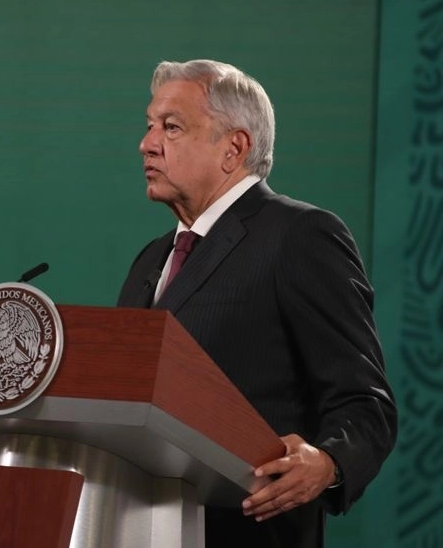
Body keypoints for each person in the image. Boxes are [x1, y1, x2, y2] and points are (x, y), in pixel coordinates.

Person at [116, 59, 397, 547]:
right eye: (149, 126)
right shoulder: (151, 260)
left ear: (234, 148)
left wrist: (328, 463)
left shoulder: (301, 236)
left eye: (171, 127)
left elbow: (364, 403)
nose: (148, 143)